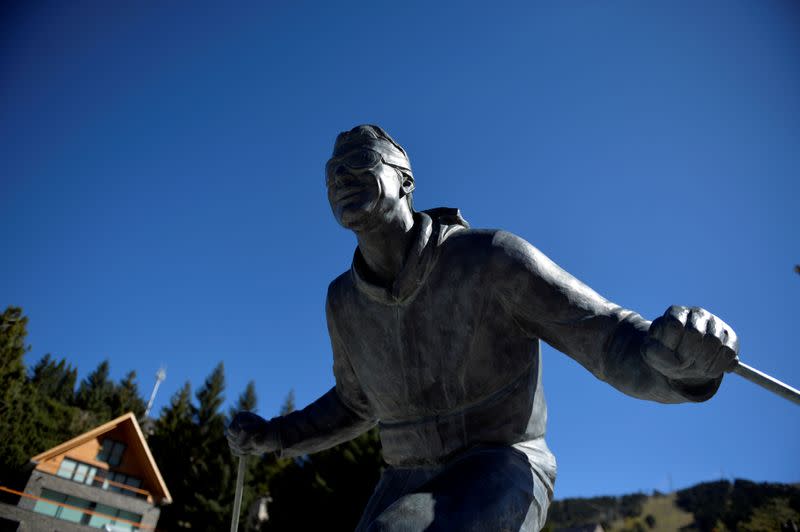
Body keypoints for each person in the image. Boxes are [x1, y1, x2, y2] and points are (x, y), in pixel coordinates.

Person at [226, 125, 739, 531]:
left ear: (406, 181)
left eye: (360, 163)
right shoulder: (343, 302)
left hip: (502, 467)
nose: (342, 177)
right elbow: (356, 403)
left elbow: (606, 337)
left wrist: (681, 366)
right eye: (332, 172)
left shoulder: (491, 260)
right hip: (404, 479)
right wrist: (276, 435)